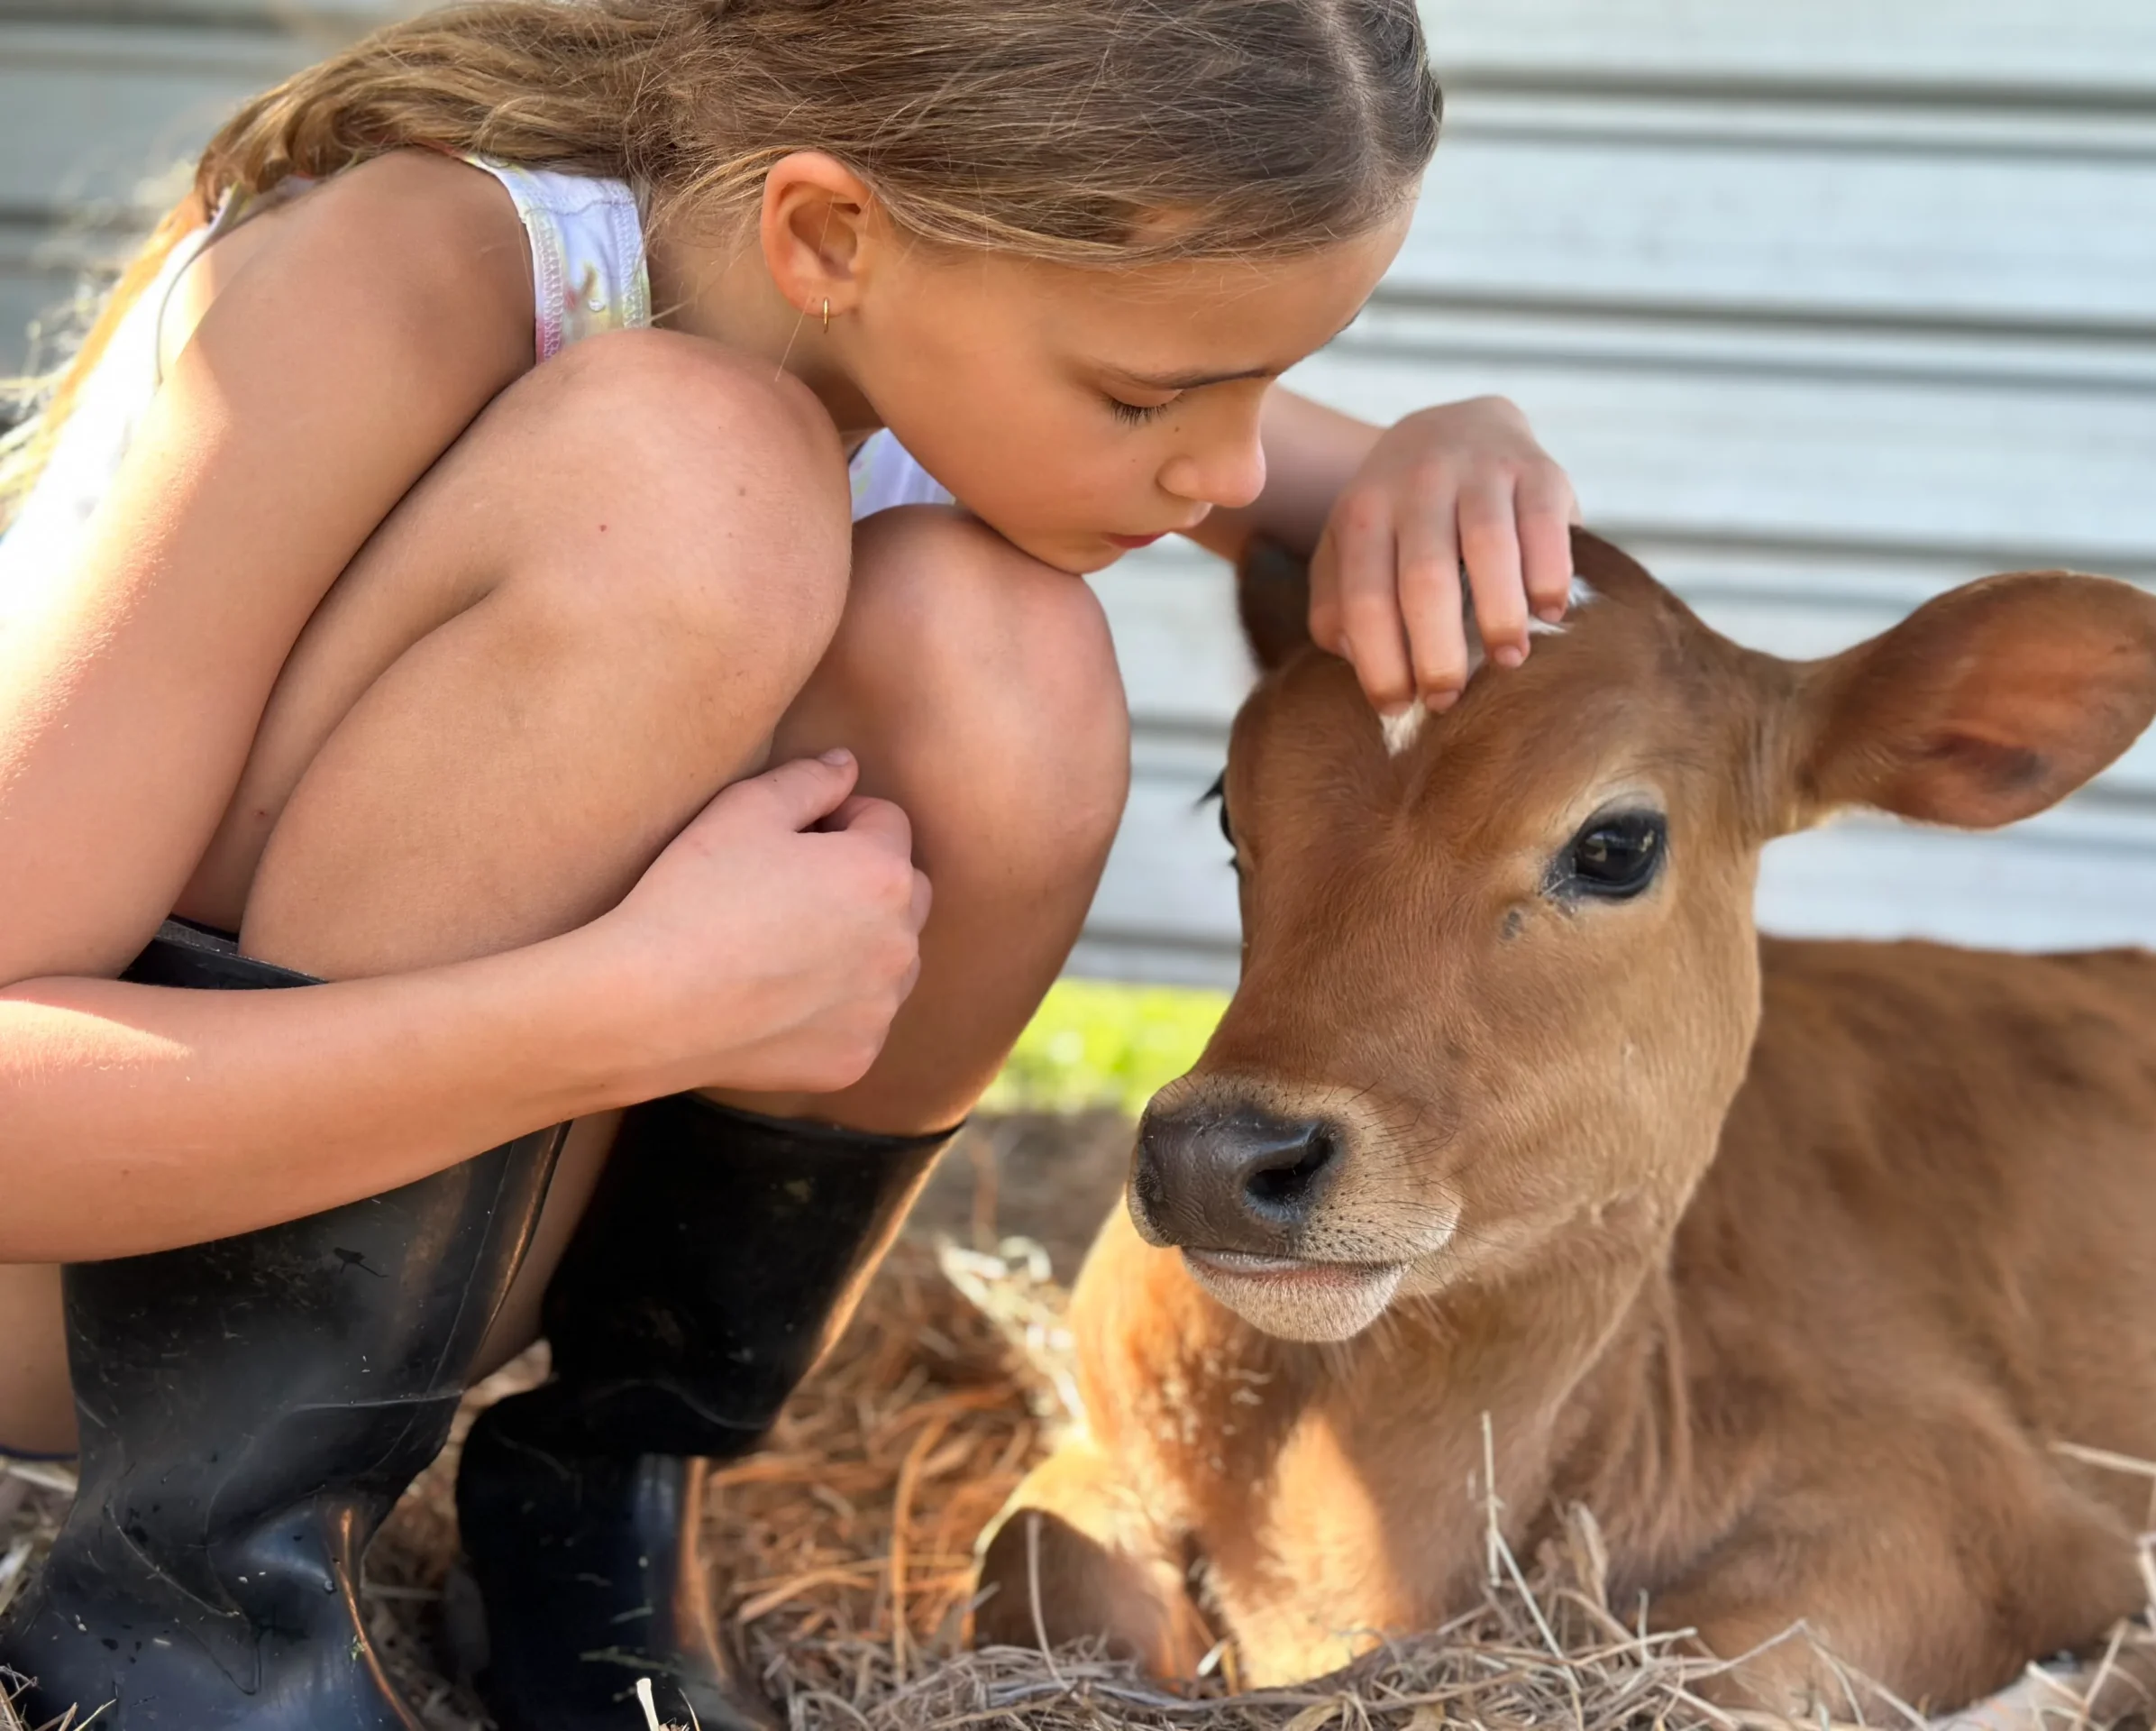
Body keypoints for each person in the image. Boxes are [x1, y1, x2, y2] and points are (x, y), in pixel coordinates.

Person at [0, 0, 1579, 1725]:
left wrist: (1452, 443)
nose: (1229, 471)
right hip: (92, 1298)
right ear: (829, 230)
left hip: (456, 1250)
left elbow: (1316, 470)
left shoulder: (902, 298)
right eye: (1151, 398)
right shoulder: (400, 274)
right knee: (700, 475)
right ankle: (200, 1622)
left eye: (1274, 381)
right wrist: (631, 1011)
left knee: (999, 660)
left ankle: (601, 1499)